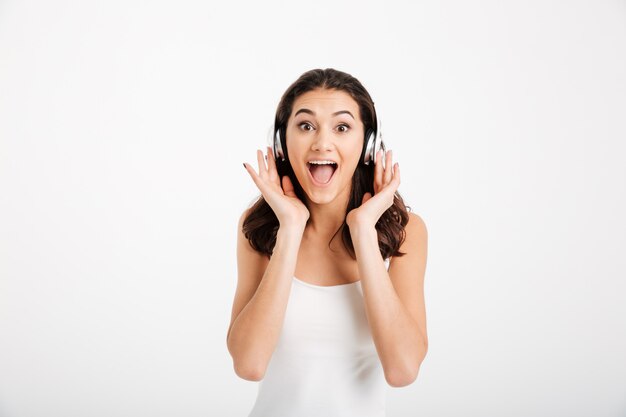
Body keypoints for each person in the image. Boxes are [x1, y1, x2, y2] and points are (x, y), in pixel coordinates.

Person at [227, 68, 428, 417]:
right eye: (305, 126)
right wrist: (290, 228)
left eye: (342, 127)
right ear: (282, 143)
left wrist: (364, 231)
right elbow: (249, 364)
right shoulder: (258, 228)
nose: (322, 142)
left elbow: (403, 369)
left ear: (367, 145)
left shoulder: (406, 231)